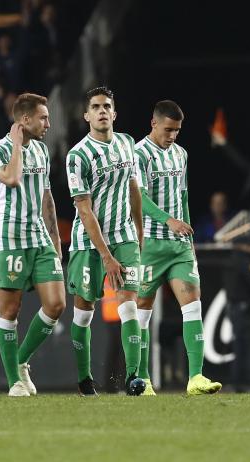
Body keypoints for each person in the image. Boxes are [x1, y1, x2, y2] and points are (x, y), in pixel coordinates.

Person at [135, 100, 222, 396]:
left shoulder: (181, 154)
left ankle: (196, 377)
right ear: (154, 123)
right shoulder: (139, 154)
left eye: (177, 131)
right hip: (148, 244)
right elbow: (139, 199)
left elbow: (183, 195)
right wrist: (168, 220)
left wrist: (188, 237)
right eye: (168, 129)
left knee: (193, 305)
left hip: (179, 246)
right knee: (142, 311)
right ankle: (143, 379)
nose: (172, 135)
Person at [0, 93, 65, 397]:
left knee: (56, 304)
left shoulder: (42, 151)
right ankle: (14, 382)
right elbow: (13, 178)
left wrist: (55, 240)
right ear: (24, 120)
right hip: (9, 239)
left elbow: (46, 198)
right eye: (43, 117)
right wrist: (17, 145)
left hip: (39, 237)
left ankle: (21, 362)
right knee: (10, 310)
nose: (48, 123)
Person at [66, 86, 144, 396]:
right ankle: (85, 379)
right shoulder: (77, 156)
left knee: (129, 305)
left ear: (114, 113)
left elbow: (134, 189)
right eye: (95, 106)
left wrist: (138, 233)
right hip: (88, 243)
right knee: (84, 310)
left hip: (123, 237)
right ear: (86, 115)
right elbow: (84, 209)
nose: (101, 111)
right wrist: (107, 256)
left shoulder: (127, 144)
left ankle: (133, 378)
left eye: (106, 106)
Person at [223, 235, 250, 393]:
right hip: (246, 310)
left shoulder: (230, 260)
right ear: (243, 246)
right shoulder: (246, 261)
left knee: (239, 346)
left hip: (234, 308)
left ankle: (236, 383)